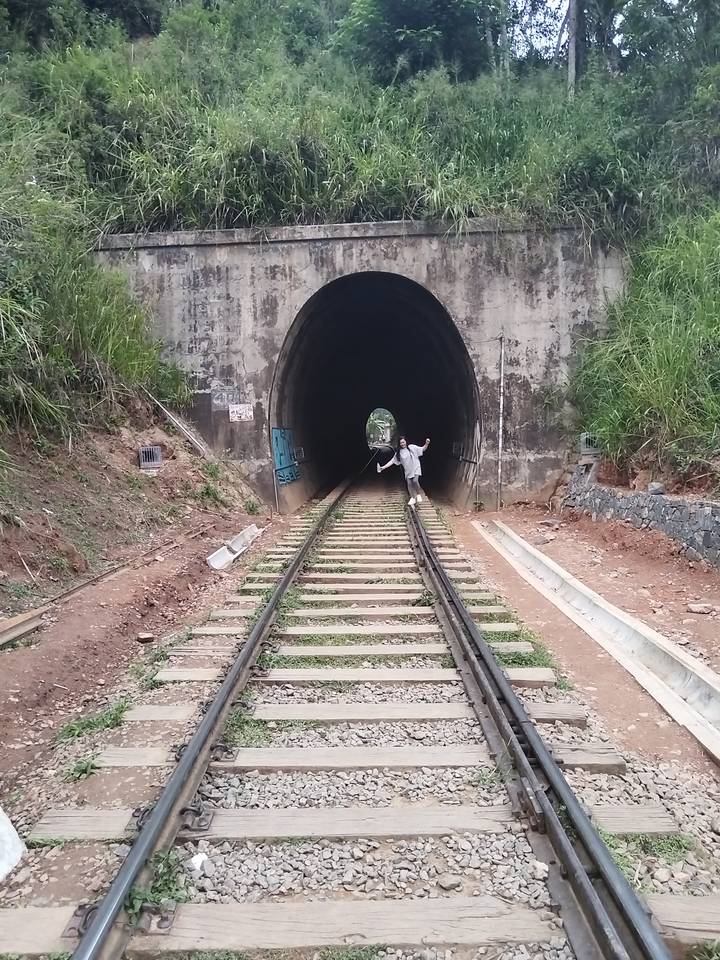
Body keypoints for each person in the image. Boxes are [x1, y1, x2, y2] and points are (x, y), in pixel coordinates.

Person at [377, 436, 430, 506]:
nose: (402, 444)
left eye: (403, 442)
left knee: (415, 481)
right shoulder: (399, 453)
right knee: (409, 484)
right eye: (401, 443)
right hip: (408, 470)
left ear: (406, 442)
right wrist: (382, 467)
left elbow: (422, 449)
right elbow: (392, 461)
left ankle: (418, 494)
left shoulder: (412, 447)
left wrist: (427, 443)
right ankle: (412, 498)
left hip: (416, 467)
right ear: (399, 444)